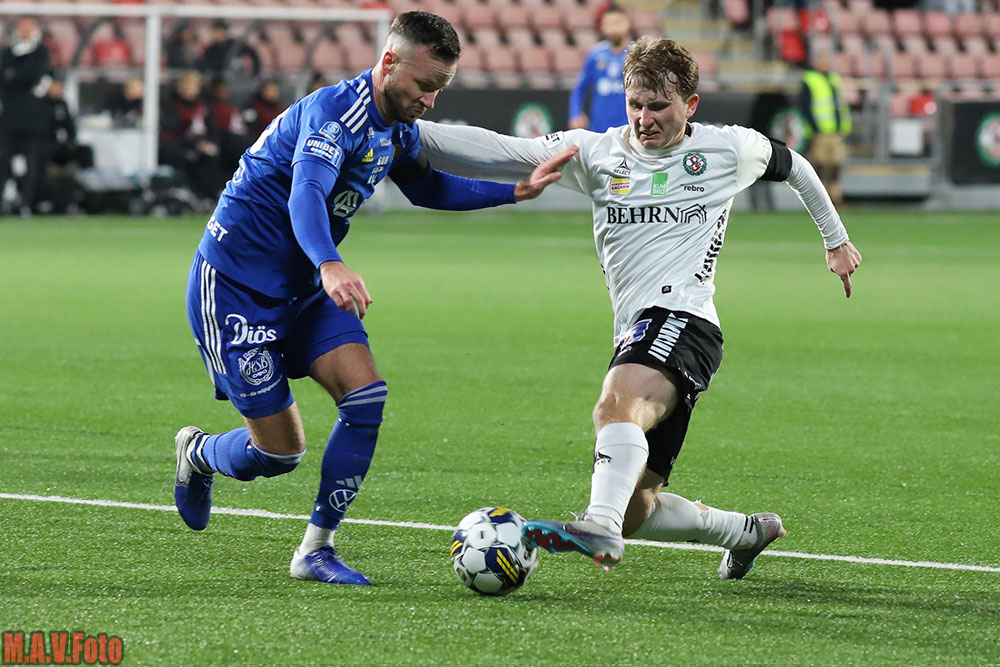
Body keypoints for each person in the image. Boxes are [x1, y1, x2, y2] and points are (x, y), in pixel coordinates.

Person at [418, 36, 862, 579]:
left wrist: (835, 240)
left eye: (658, 106)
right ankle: (746, 531)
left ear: (690, 104)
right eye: (635, 105)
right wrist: (407, 130)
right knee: (638, 507)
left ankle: (597, 523)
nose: (644, 119)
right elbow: (501, 150)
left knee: (614, 406)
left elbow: (796, 166)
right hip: (640, 330)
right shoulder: (597, 153)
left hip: (685, 319)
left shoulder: (727, 149)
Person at [173, 11, 575, 586]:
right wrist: (330, 263)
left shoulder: (398, 127)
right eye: (424, 85)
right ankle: (200, 454)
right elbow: (306, 192)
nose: (430, 101)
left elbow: (426, 185)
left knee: (365, 398)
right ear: (389, 62)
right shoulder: (335, 115)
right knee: (279, 454)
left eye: (439, 89)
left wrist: (513, 191)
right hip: (237, 288)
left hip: (305, 287)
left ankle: (315, 550)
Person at [0, 16, 53, 216]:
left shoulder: (41, 52)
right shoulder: (8, 52)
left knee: (33, 164)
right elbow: (4, 78)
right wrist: (20, 78)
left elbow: (35, 74)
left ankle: (26, 204)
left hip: (33, 121)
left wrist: (15, 75)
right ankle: (4, 201)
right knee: (3, 162)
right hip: (10, 118)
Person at [159, 69, 221, 201]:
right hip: (181, 146)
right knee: (188, 157)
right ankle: (194, 196)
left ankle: (212, 195)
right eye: (185, 85)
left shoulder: (204, 106)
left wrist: (212, 144)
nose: (188, 89)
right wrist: (196, 145)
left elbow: (213, 130)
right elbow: (173, 133)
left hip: (202, 145)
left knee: (213, 156)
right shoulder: (171, 106)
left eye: (192, 85)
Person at [798, 52, 851, 207]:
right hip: (820, 132)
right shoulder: (810, 79)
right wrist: (813, 127)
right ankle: (819, 200)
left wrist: (843, 126)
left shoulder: (833, 79)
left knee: (835, 165)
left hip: (835, 131)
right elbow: (805, 106)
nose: (824, 64)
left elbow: (839, 105)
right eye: (821, 61)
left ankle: (835, 198)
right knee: (820, 165)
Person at [569, 4, 631, 132]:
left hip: (629, 127)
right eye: (610, 23)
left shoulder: (636, 54)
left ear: (627, 24)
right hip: (600, 127)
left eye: (618, 22)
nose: (614, 27)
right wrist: (576, 113)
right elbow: (580, 87)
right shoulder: (595, 54)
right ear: (603, 26)